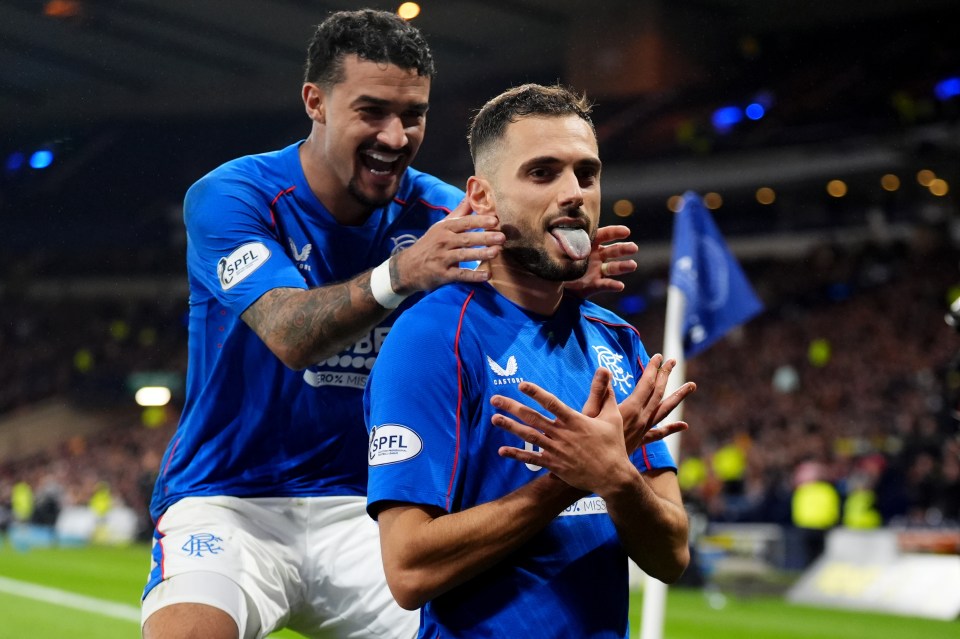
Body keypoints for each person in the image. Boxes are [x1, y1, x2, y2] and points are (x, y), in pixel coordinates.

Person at [141, 10, 638, 639]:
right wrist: (401, 272)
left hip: (369, 508)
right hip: (231, 499)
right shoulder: (234, 195)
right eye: (372, 111)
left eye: (414, 115)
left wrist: (562, 268)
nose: (396, 136)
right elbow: (290, 335)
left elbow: (525, 270)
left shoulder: (439, 210)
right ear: (315, 102)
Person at [365, 84, 696, 638]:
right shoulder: (431, 337)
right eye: (542, 173)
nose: (574, 194)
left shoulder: (615, 339)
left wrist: (616, 479)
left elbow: (672, 556)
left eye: (586, 174)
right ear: (484, 198)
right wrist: (571, 478)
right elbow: (408, 568)